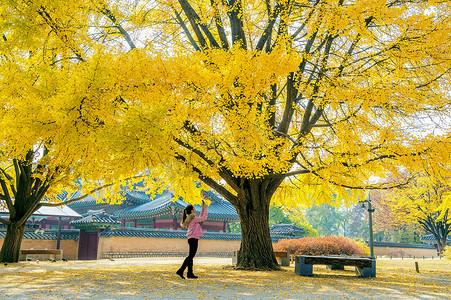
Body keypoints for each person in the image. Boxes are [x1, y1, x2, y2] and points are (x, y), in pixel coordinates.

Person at [176, 200, 208, 279]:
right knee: (191, 256)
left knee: (191, 256)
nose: (195, 209)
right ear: (192, 211)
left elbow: (200, 218)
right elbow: (204, 217)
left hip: (191, 239)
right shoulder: (193, 219)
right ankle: (181, 270)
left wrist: (203, 208)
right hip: (193, 239)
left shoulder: (190, 219)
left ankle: (190, 273)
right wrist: (205, 208)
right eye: (194, 208)